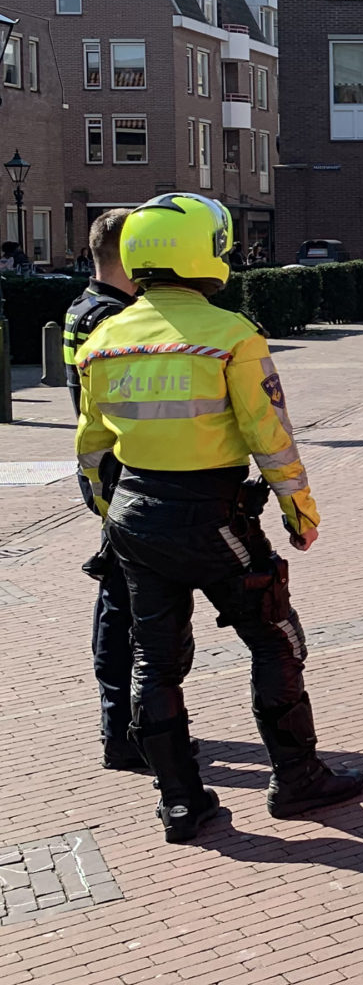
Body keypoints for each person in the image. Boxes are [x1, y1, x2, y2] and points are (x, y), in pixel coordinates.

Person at [75, 194, 363, 843]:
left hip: (133, 521)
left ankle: (181, 803)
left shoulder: (102, 341)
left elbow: (92, 452)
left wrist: (111, 515)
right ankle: (298, 777)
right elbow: (272, 437)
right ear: (203, 252)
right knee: (275, 636)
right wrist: (301, 513)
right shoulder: (231, 336)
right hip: (214, 518)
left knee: (153, 661)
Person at [61, 210, 149, 772]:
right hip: (122, 477)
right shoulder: (110, 319)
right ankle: (123, 731)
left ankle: (132, 722)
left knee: (125, 605)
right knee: (123, 608)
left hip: (107, 475)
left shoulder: (82, 307)